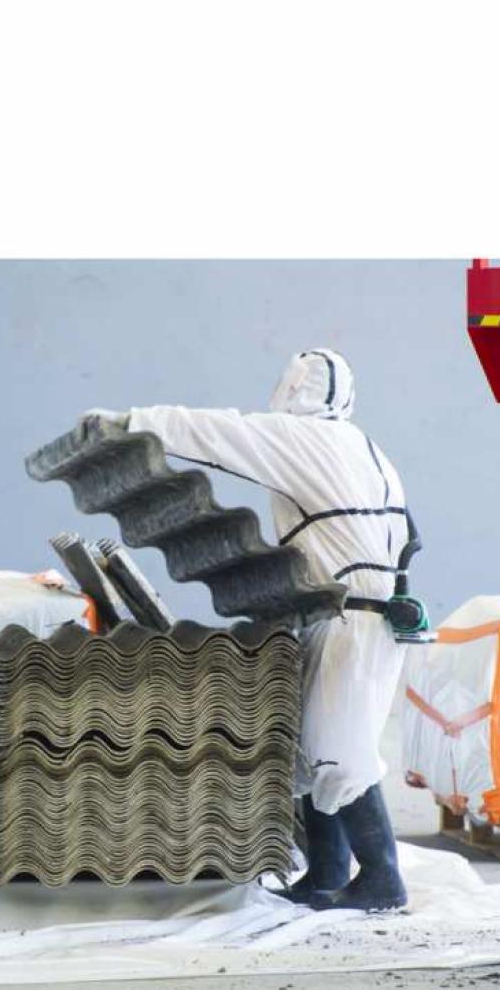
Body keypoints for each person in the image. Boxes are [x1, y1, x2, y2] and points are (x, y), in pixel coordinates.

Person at [89, 348, 413, 910]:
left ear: (296, 389)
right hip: (344, 612)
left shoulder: (308, 438)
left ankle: (383, 880)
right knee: (312, 749)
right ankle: (327, 874)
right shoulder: (365, 447)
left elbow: (221, 433)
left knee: (341, 751)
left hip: (351, 617)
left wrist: (130, 421)